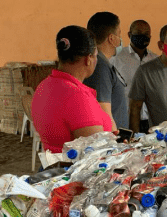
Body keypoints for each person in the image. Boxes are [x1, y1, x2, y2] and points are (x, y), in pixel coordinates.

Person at [32, 25, 112, 153]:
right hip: (75, 170)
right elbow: (96, 151)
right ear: (88, 59)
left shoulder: (43, 87)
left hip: (53, 166)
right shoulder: (77, 96)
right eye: (96, 55)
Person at [110, 19, 157, 134]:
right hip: (125, 119)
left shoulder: (155, 60)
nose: (143, 36)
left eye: (146, 34)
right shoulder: (116, 59)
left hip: (150, 120)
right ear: (129, 35)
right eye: (139, 32)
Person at [84, 11, 127, 131]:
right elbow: (104, 110)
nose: (120, 40)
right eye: (119, 34)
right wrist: (114, 141)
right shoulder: (100, 67)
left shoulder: (103, 63)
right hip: (112, 141)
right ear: (111, 38)